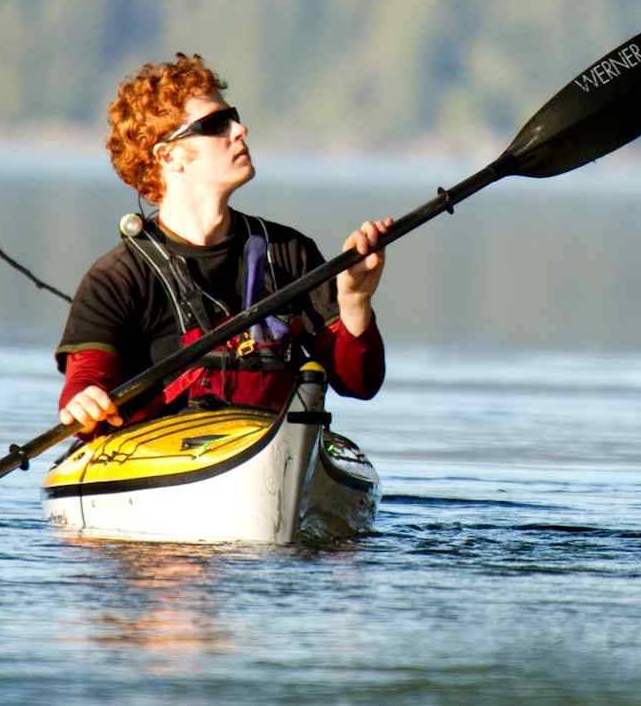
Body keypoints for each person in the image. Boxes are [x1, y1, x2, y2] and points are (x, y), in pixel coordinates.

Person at [55, 53, 391, 435]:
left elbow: (359, 382)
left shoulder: (289, 252)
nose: (240, 130)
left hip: (274, 450)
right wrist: (84, 399)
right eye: (216, 124)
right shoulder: (115, 280)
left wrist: (355, 301)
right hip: (159, 457)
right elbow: (85, 380)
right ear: (169, 156)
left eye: (234, 116)